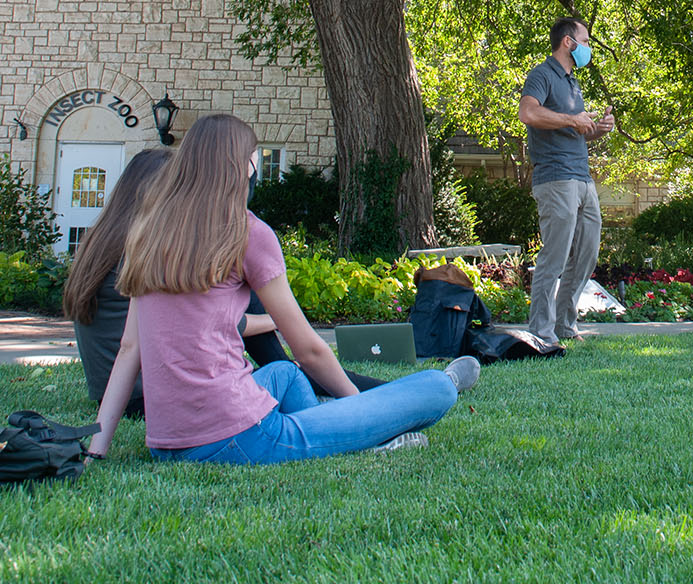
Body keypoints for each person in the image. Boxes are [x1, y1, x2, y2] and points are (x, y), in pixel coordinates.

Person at [89, 114, 465, 462]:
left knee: (284, 375)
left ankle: (326, 427)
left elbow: (129, 349)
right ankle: (367, 435)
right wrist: (362, 417)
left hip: (166, 444)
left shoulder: (147, 231)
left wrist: (96, 449)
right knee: (437, 387)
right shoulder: (247, 232)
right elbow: (309, 349)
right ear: (245, 168)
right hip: (237, 437)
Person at [63, 147, 397, 417]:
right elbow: (220, 324)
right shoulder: (146, 250)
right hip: (159, 397)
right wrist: (276, 319)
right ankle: (377, 392)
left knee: (272, 343)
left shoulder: (102, 244)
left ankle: (341, 385)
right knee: (284, 365)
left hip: (119, 395)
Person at [517, 16, 615, 345]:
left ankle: (564, 325)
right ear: (568, 43)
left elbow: (570, 131)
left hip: (582, 177)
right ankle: (542, 332)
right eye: (585, 41)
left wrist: (594, 130)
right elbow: (529, 113)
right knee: (554, 257)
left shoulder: (573, 84)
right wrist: (573, 119)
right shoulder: (542, 74)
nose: (588, 48)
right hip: (556, 178)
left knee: (586, 253)